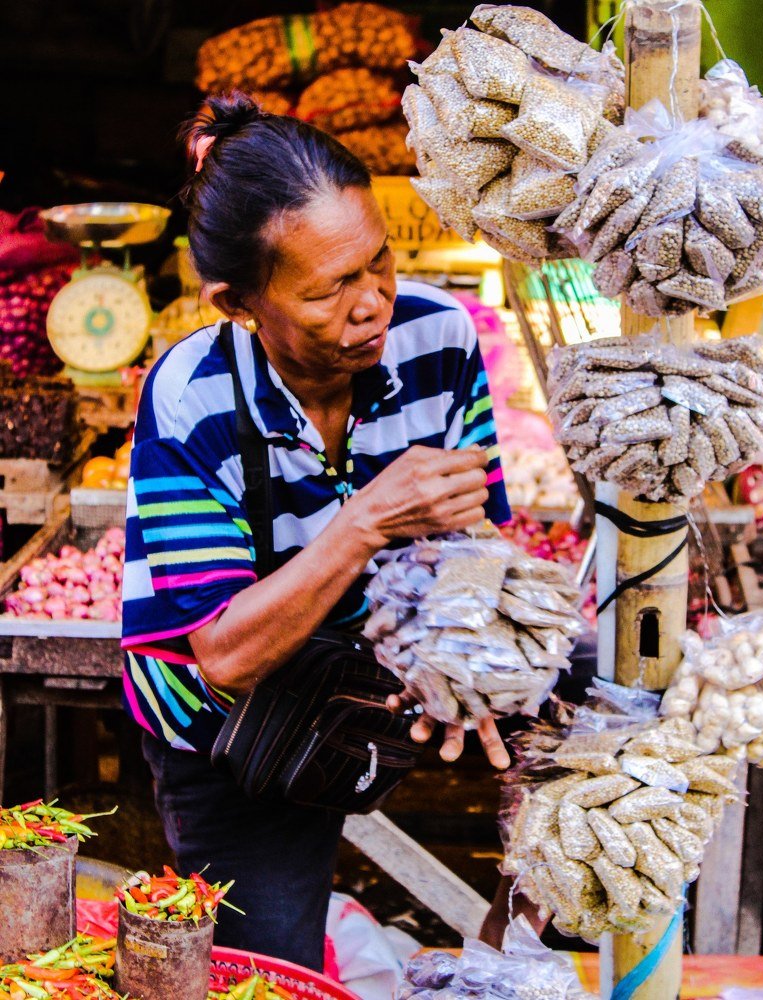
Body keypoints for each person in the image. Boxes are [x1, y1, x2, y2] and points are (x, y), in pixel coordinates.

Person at [121, 92, 516, 972]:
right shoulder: (192, 395)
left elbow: (480, 538)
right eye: (331, 288)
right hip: (228, 727)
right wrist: (367, 518)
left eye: (378, 261)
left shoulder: (438, 340)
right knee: (268, 969)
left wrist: (482, 666)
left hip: (369, 693)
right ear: (238, 301)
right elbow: (222, 653)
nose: (372, 302)